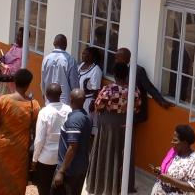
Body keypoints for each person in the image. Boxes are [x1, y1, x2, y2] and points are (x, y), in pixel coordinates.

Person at [115, 47, 172, 191]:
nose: (116, 60)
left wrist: (161, 101)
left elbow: (149, 87)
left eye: (118, 58)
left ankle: (126, 181)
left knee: (127, 146)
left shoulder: (138, 71)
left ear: (127, 59)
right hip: (122, 113)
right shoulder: (118, 68)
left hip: (134, 114)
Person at [85, 62, 141, 195]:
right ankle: (122, 187)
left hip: (109, 126)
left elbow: (98, 106)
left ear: (114, 75)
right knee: (123, 154)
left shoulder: (108, 89)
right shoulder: (135, 90)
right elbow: (137, 108)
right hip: (125, 126)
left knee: (106, 152)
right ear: (127, 75)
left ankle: (102, 186)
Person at [33, 83, 72, 195]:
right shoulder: (68, 110)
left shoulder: (44, 112)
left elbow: (39, 140)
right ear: (61, 94)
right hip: (63, 157)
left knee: (44, 189)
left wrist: (34, 159)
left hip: (46, 158)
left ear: (46, 95)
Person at [53, 89, 92, 195]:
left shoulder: (75, 119)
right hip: (80, 167)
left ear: (71, 100)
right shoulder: (86, 116)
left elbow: (72, 147)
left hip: (69, 170)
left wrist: (61, 171)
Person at [150, 125, 195, 195]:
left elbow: (193, 187)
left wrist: (170, 180)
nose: (172, 142)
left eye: (175, 140)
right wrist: (160, 171)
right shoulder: (173, 152)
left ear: (185, 143)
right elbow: (167, 170)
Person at [41, 34, 79, 105]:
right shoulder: (70, 60)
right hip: (64, 102)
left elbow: (43, 80)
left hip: (49, 100)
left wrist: (44, 94)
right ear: (66, 45)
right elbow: (74, 85)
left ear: (54, 43)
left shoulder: (46, 59)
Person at [0, 27, 24, 95]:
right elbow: (7, 58)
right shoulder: (14, 47)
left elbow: (16, 68)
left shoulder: (23, 51)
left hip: (11, 80)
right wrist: (2, 58)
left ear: (24, 39)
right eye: (17, 35)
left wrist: (3, 65)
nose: (16, 38)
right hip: (4, 77)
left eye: (19, 36)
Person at [78, 47, 103, 116]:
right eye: (83, 53)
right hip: (79, 99)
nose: (83, 55)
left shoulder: (96, 70)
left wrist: (93, 102)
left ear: (92, 56)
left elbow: (96, 89)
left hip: (87, 101)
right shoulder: (82, 65)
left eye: (86, 54)